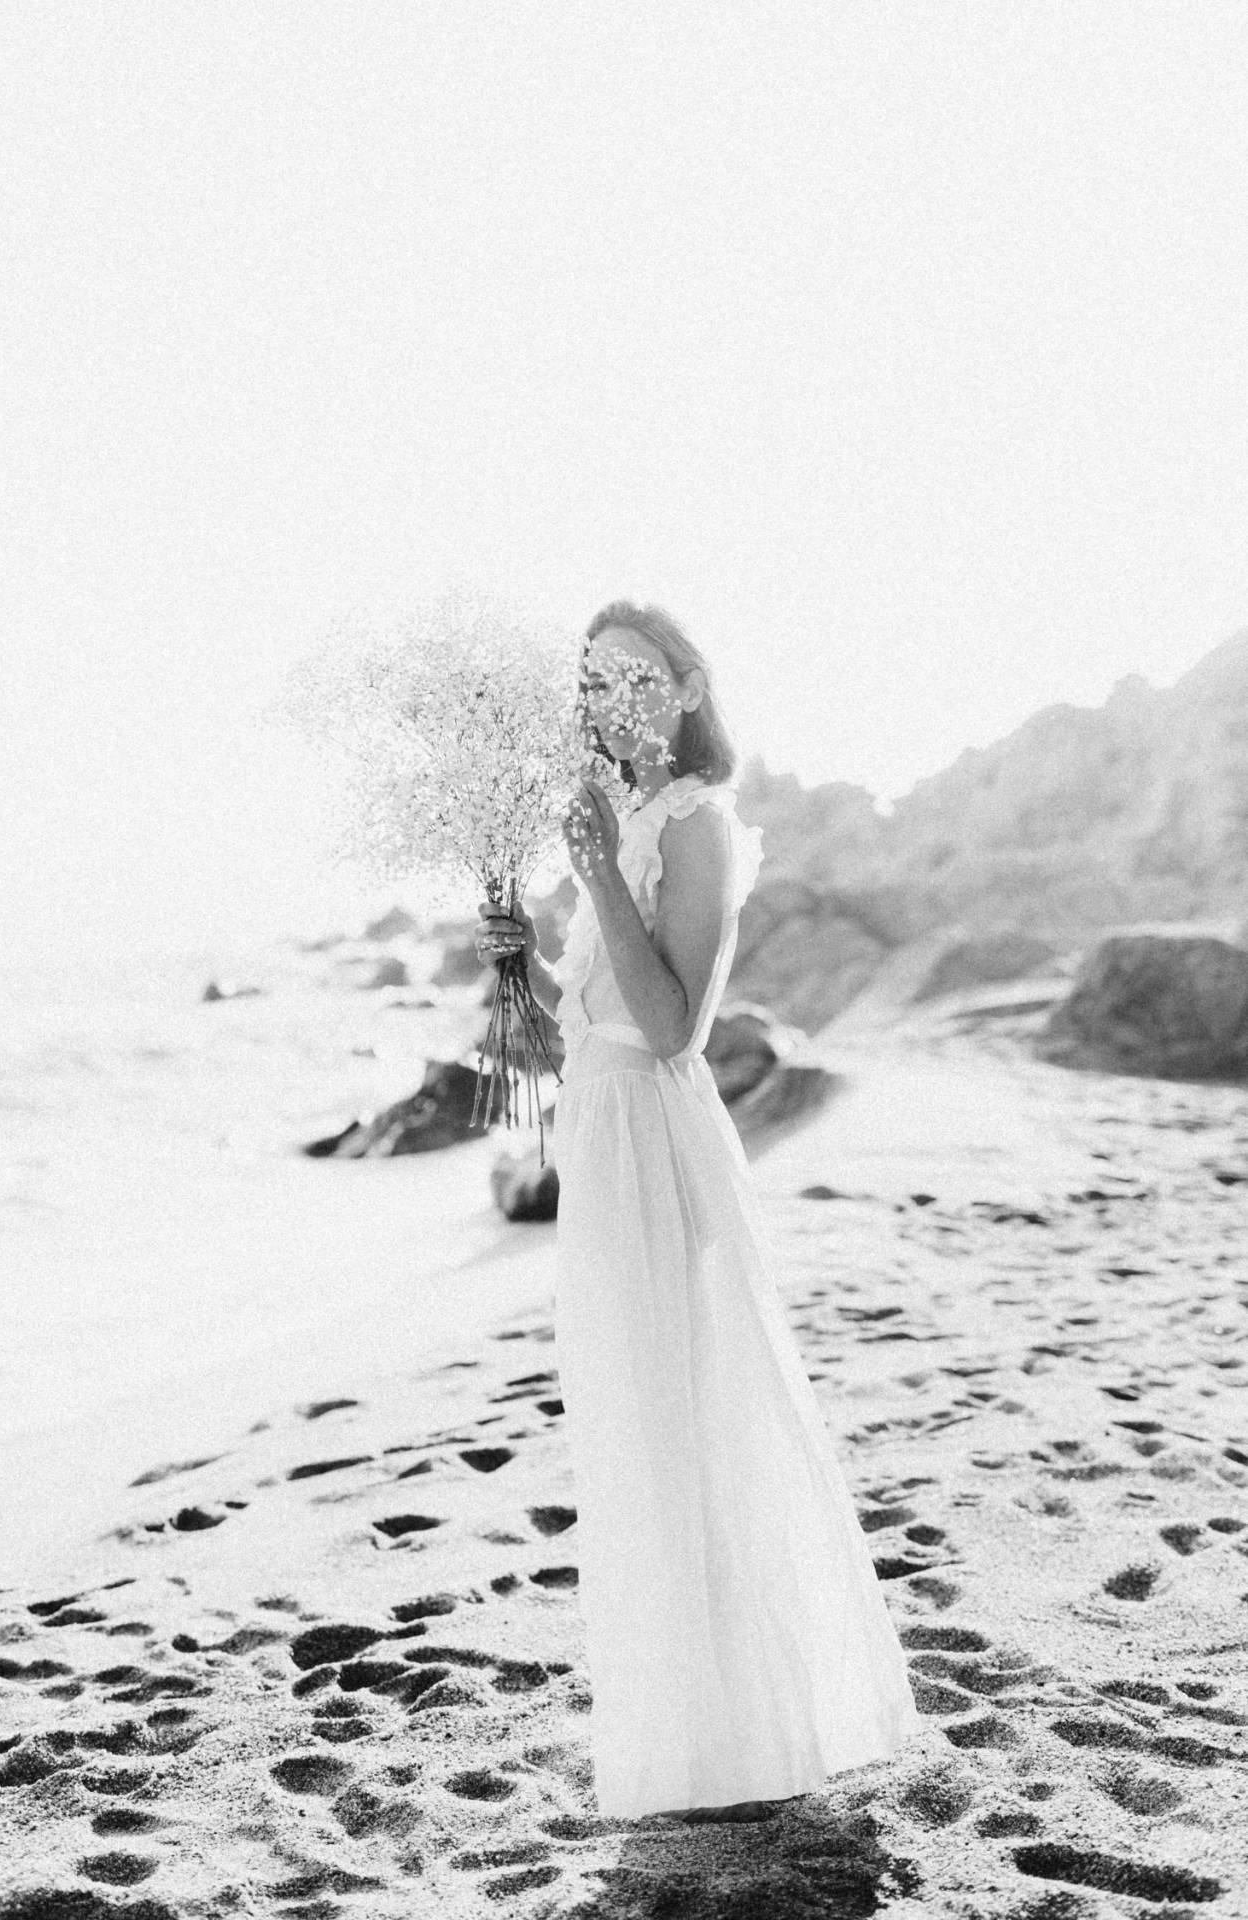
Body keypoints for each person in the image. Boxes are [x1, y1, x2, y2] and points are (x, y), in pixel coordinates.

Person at [473, 601, 921, 1823]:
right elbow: (594, 1023)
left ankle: (752, 1732)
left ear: (684, 687)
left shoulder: (699, 821)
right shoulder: (623, 819)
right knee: (633, 1416)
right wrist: (522, 961)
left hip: (659, 1140)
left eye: (632, 677)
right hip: (600, 1132)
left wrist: (591, 873)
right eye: (592, 682)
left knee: (691, 1407)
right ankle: (687, 1729)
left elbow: (675, 1028)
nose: (608, 700)